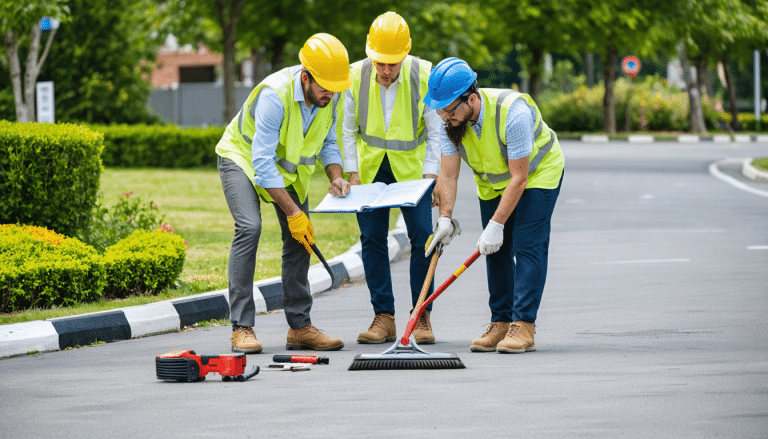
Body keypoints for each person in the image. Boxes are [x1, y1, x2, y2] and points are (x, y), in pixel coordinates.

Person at [215, 33, 353, 353]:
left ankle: (300, 328)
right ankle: (242, 327)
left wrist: (336, 177)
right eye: (325, 86)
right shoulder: (275, 96)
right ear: (305, 77)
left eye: (335, 87)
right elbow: (262, 163)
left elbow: (329, 142)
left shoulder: (327, 98)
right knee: (250, 227)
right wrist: (293, 212)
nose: (330, 93)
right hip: (242, 159)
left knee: (300, 237)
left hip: (284, 171)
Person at [423, 58, 565, 353]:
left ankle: (523, 325)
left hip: (537, 175)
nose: (445, 117)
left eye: (450, 110)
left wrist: (496, 224)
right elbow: (448, 175)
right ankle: (501, 321)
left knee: (526, 244)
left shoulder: (513, 113)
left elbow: (519, 178)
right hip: (493, 184)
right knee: (495, 250)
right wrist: (445, 218)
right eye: (441, 110)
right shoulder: (450, 122)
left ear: (471, 99)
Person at [341, 12, 443, 345]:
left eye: (392, 64)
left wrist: (432, 176)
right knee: (372, 239)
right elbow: (347, 129)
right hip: (370, 170)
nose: (385, 70)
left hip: (413, 171)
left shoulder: (423, 74)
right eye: (380, 63)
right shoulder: (354, 76)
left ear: (405, 54)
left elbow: (436, 131)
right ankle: (383, 317)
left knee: (423, 237)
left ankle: (421, 315)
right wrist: (353, 172)